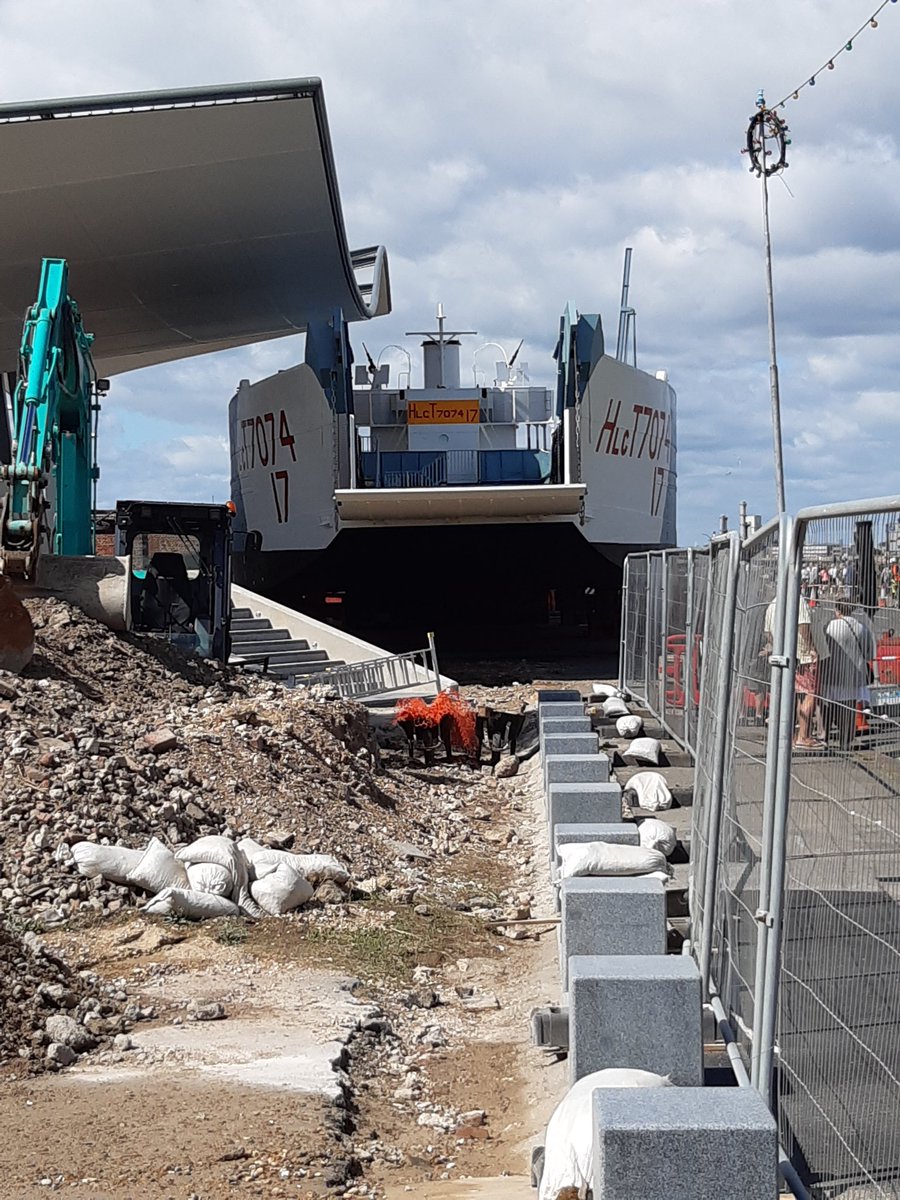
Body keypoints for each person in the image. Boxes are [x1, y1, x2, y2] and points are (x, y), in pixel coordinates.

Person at [764, 591, 821, 749]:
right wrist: (811, 648)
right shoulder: (798, 600)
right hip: (802, 655)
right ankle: (803, 736)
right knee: (810, 693)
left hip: (784, 655)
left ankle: (791, 735)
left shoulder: (772, 604)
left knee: (794, 695)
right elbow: (803, 626)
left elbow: (767, 632)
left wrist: (778, 645)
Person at [821, 600, 875, 751]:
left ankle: (824, 737)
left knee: (828, 706)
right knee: (849, 708)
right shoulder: (862, 628)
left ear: (837, 610)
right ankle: (845, 740)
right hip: (853, 675)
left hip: (831, 672)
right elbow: (869, 654)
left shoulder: (829, 626)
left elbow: (822, 649)